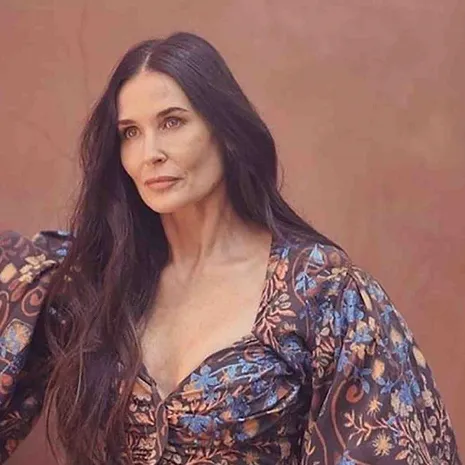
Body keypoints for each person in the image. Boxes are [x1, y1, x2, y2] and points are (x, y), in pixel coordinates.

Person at [0, 32, 460, 465]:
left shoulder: (320, 292)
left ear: (225, 130)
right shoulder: (96, 282)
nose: (149, 153)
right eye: (130, 132)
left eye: (172, 122)